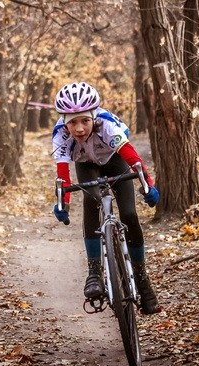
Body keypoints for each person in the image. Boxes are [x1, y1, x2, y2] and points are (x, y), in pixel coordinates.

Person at [51, 81, 161, 314]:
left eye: (84, 121)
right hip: (86, 166)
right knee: (91, 200)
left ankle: (142, 281)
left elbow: (133, 158)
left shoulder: (108, 125)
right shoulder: (60, 134)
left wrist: (148, 185)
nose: (79, 128)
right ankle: (94, 272)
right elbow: (63, 174)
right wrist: (64, 203)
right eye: (72, 122)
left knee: (130, 215)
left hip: (115, 161)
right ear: (64, 122)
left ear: (94, 116)